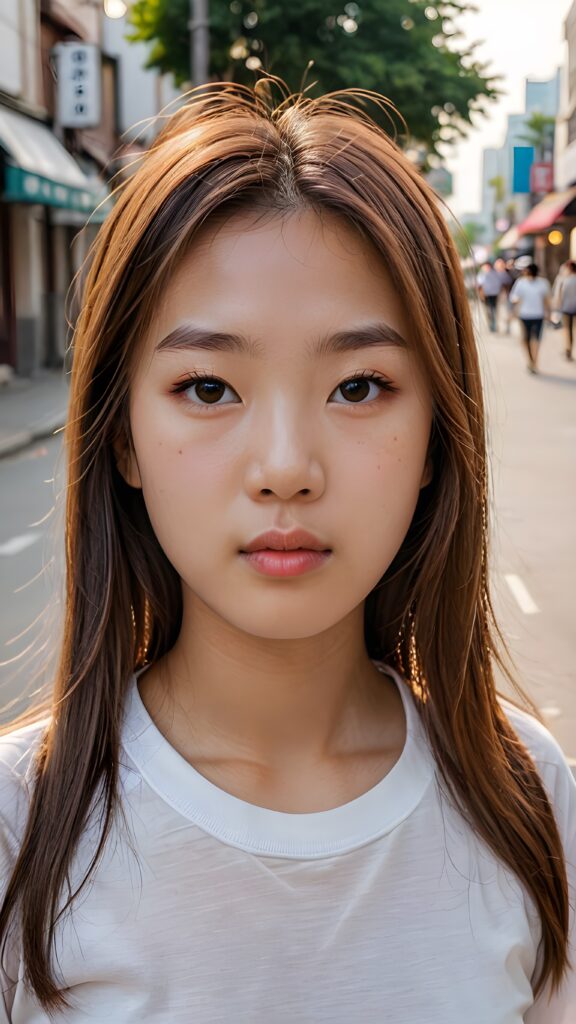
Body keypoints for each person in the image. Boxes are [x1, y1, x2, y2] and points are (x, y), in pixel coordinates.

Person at [0, 83, 573, 1023]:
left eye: (359, 386)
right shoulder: (21, 827)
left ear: (438, 435)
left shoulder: (526, 796)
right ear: (122, 437)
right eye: (207, 387)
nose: (285, 469)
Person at [509, 262, 552, 373]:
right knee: (527, 339)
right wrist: (549, 313)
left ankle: (533, 362)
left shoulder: (541, 283)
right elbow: (513, 297)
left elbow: (546, 299)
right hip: (526, 315)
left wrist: (548, 313)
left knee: (533, 339)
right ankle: (531, 361)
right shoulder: (522, 282)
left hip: (536, 315)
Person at [553, 259, 576, 360]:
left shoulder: (564, 280)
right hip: (569, 308)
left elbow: (559, 295)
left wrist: (557, 308)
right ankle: (568, 349)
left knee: (567, 330)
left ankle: (568, 349)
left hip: (566, 308)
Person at [477, 259, 502, 332]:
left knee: (493, 310)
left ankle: (494, 324)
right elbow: (479, 285)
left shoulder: (493, 273)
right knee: (489, 310)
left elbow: (499, 283)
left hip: (493, 294)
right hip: (487, 295)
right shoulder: (482, 274)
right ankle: (492, 324)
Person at [494, 256, 514, 335]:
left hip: (505, 296)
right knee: (499, 312)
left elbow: (509, 284)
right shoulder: (495, 275)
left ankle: (507, 328)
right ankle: (499, 327)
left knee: (506, 312)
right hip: (498, 296)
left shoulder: (506, 274)